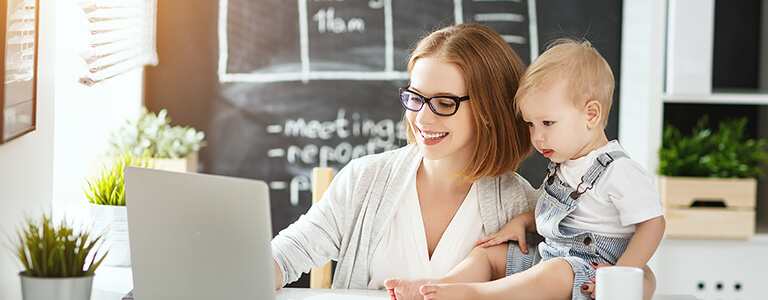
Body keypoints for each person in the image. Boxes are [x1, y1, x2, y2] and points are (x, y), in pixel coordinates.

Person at [384, 38, 665, 300]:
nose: (537, 137)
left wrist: (621, 274)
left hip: (591, 267)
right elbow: (563, 213)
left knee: (555, 272)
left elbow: (653, 223)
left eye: (547, 124)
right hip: (551, 255)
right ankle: (437, 286)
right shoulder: (564, 165)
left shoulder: (618, 170)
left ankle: (476, 295)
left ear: (591, 114)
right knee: (489, 254)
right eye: (531, 124)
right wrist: (523, 222)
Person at [271, 23, 539, 290]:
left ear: (489, 110)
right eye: (416, 97)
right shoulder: (363, 180)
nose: (422, 118)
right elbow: (286, 255)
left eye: (444, 103)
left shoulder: (523, 207)